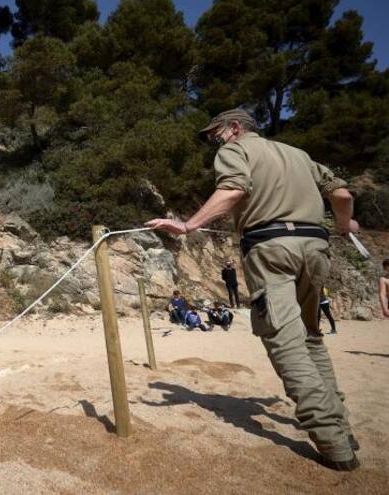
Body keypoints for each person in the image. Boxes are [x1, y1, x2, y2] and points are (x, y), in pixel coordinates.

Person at [146, 108, 361, 470]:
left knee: (286, 343)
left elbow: (232, 190)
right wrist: (343, 225)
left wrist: (188, 226)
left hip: (270, 249)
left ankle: (333, 442)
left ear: (234, 128)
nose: (213, 142)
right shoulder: (300, 155)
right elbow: (341, 195)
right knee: (310, 337)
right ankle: (342, 425)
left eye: (215, 134)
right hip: (316, 248)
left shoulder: (235, 150)